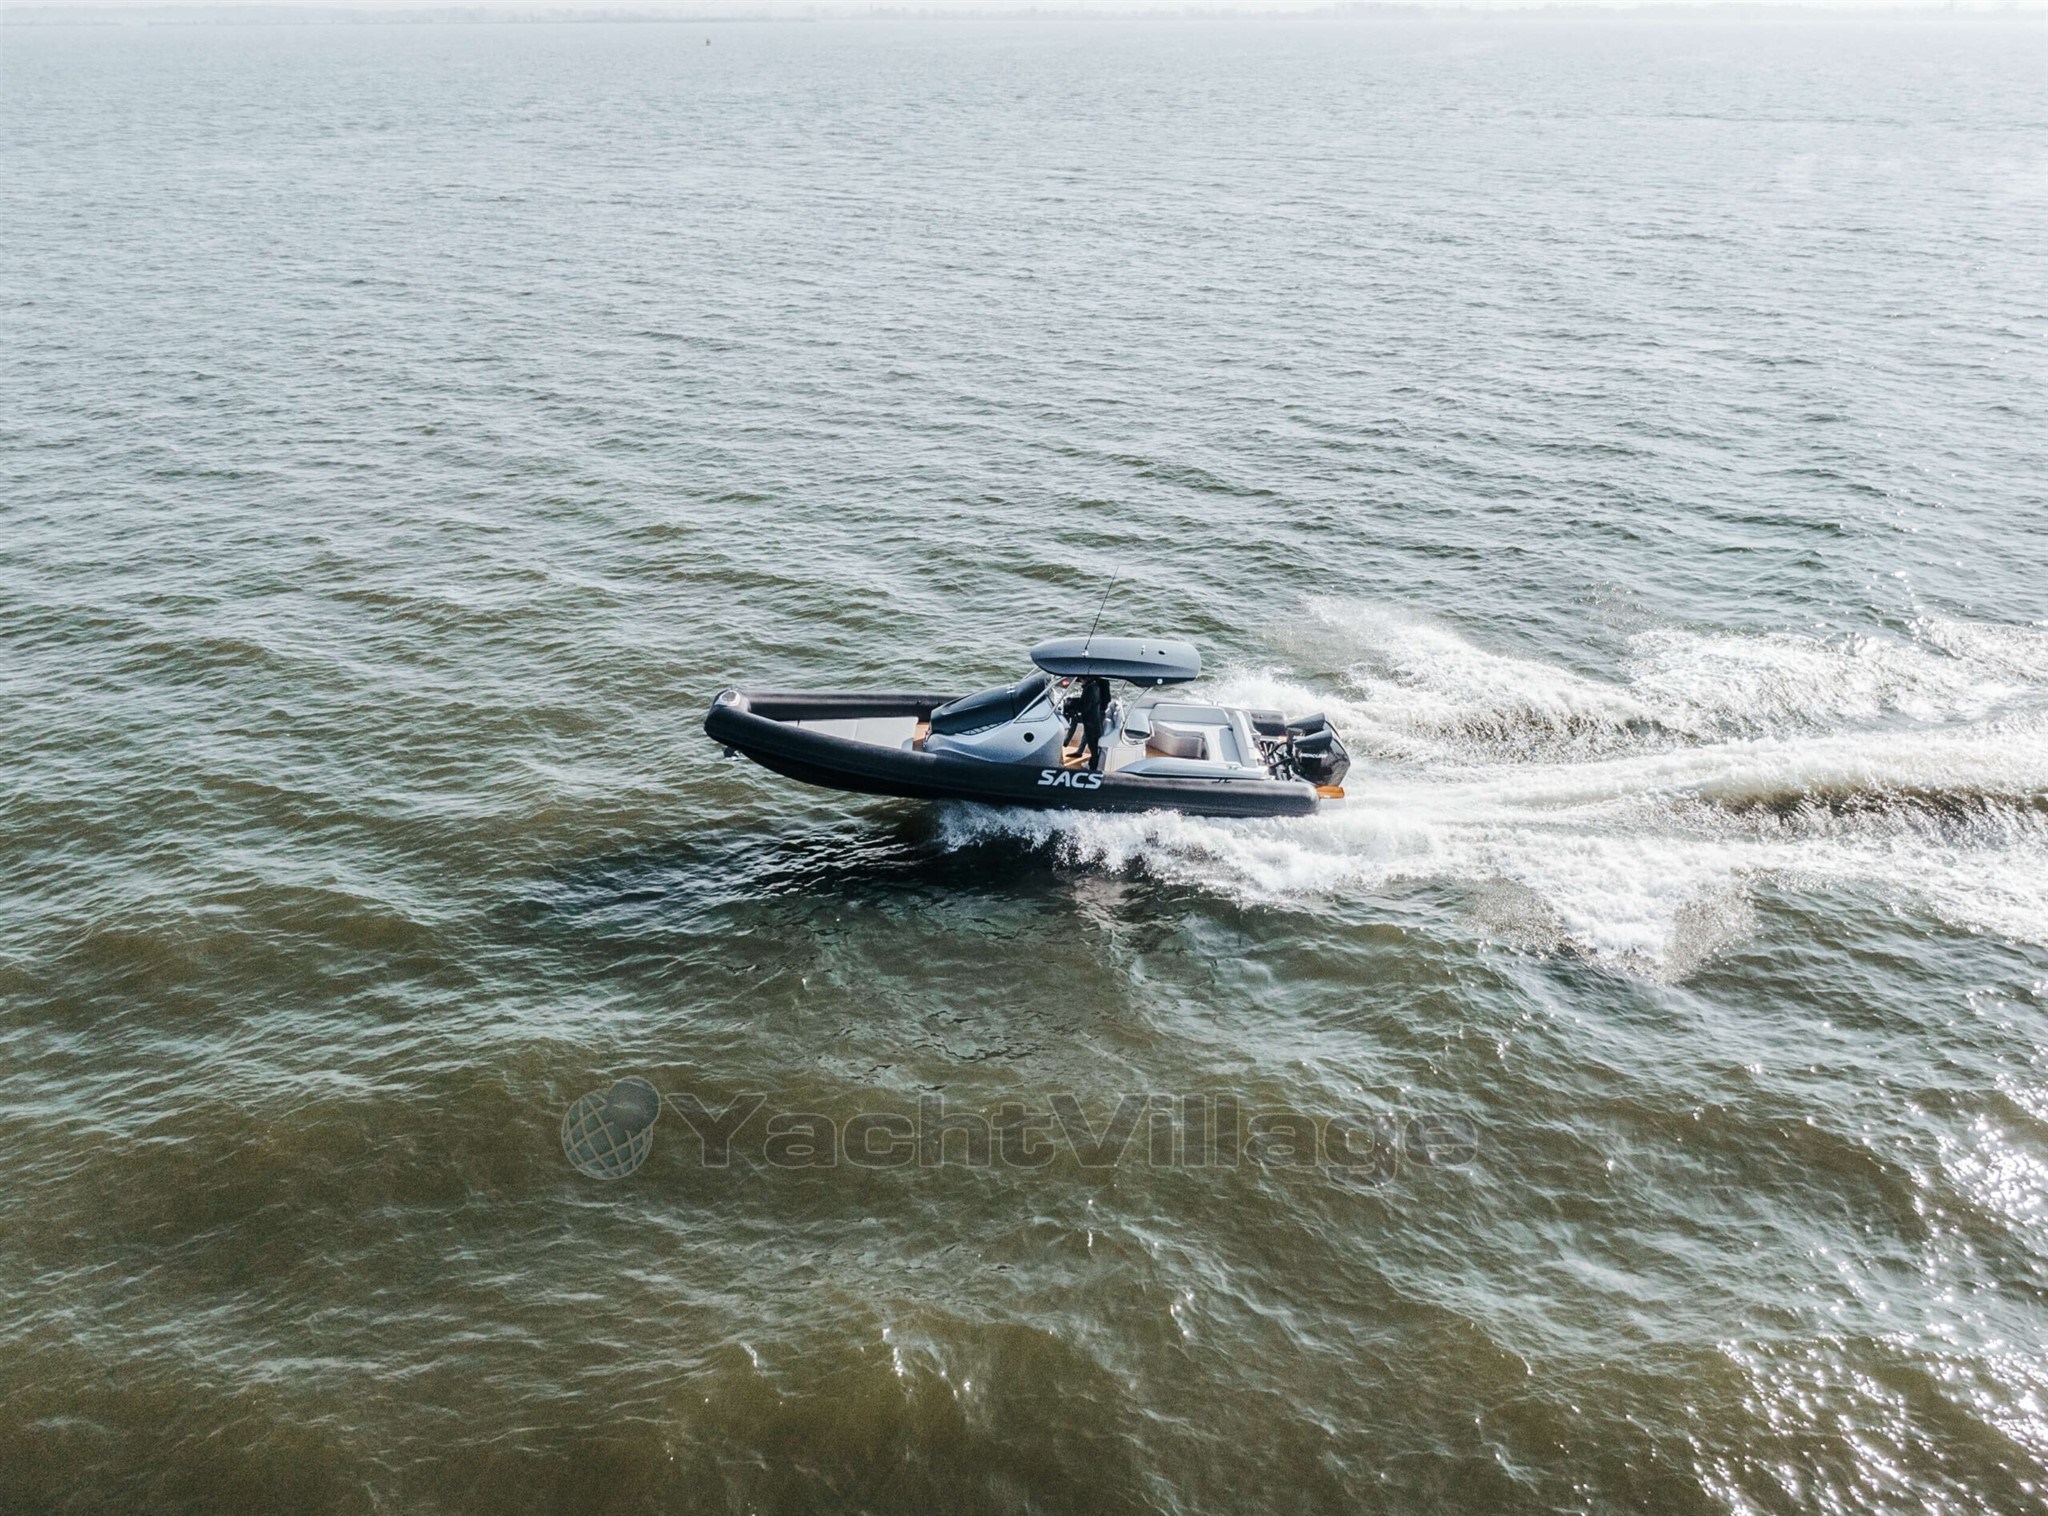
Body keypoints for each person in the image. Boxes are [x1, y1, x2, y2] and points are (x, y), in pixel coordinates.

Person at [1070, 675, 1111, 772]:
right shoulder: (1094, 685)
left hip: (1097, 713)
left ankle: (1093, 765)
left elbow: (1104, 699)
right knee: (1089, 736)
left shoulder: (1097, 685)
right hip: (1095, 712)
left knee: (1093, 739)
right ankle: (1081, 752)